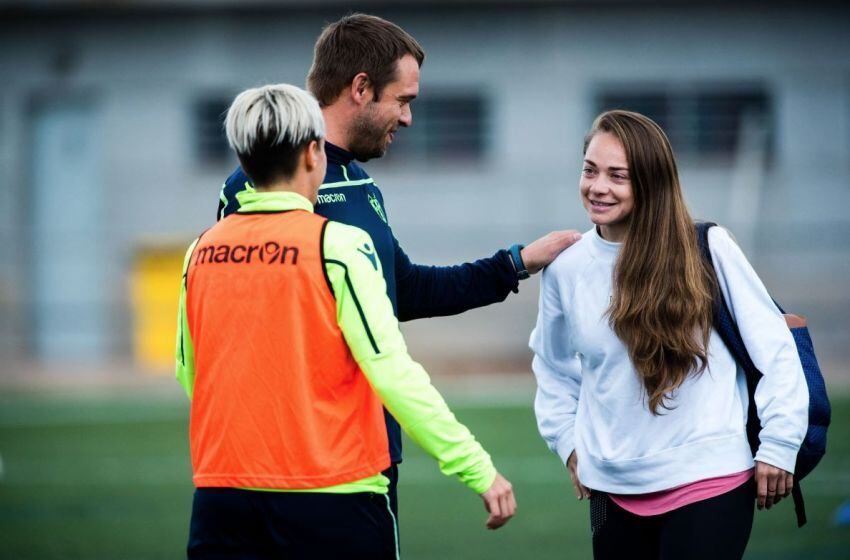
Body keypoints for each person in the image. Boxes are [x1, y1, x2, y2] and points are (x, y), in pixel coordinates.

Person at [217, 13, 580, 520]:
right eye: (403, 100)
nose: (407, 118)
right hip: (282, 465)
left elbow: (401, 291)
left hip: (362, 457)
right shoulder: (255, 185)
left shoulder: (361, 184)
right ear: (361, 88)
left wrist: (514, 264)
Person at [176, 83, 515, 559]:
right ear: (314, 153)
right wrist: (477, 468)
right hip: (335, 498)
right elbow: (392, 372)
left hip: (223, 500)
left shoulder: (199, 254)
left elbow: (192, 372)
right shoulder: (338, 246)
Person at [530, 110, 809, 559]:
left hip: (710, 479)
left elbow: (775, 349)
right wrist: (570, 446)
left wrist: (779, 445)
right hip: (610, 489)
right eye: (590, 170)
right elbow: (553, 369)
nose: (598, 187)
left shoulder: (708, 247)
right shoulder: (565, 267)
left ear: (651, 183)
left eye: (618, 176)